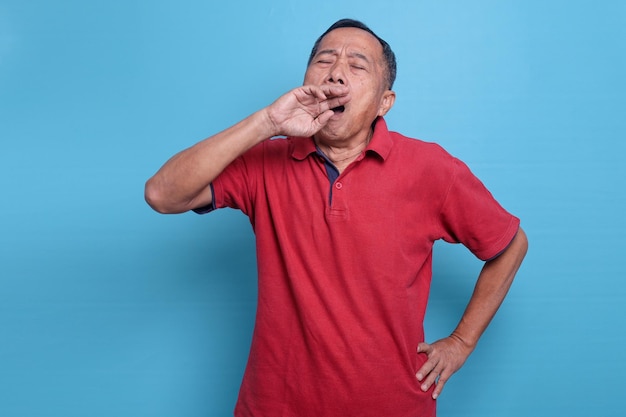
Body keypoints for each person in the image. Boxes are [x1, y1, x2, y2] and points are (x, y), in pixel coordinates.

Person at [145, 18, 528, 417]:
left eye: (357, 65)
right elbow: (162, 194)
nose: (337, 73)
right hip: (274, 406)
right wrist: (268, 123)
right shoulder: (265, 163)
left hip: (393, 406)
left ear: (385, 102)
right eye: (325, 60)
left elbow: (510, 245)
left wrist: (462, 342)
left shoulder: (431, 169)